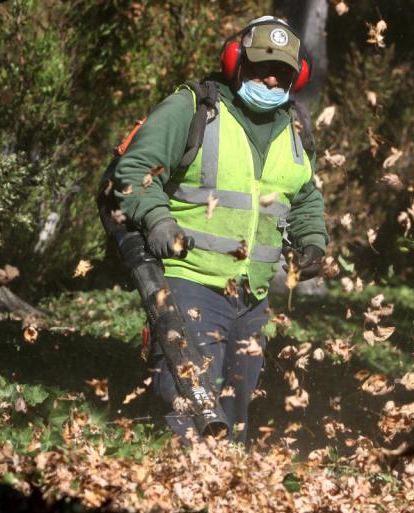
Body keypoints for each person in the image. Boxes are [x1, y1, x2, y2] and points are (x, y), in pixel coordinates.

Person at [112, 15, 328, 443]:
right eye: (262, 66)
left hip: (252, 296)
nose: (270, 79)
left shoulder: (296, 128)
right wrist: (157, 219)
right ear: (236, 62)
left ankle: (223, 498)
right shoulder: (194, 109)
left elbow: (304, 197)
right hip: (189, 282)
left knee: (234, 412)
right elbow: (135, 169)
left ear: (296, 77)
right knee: (189, 406)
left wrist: (312, 240)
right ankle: (174, 495)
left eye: (282, 72)